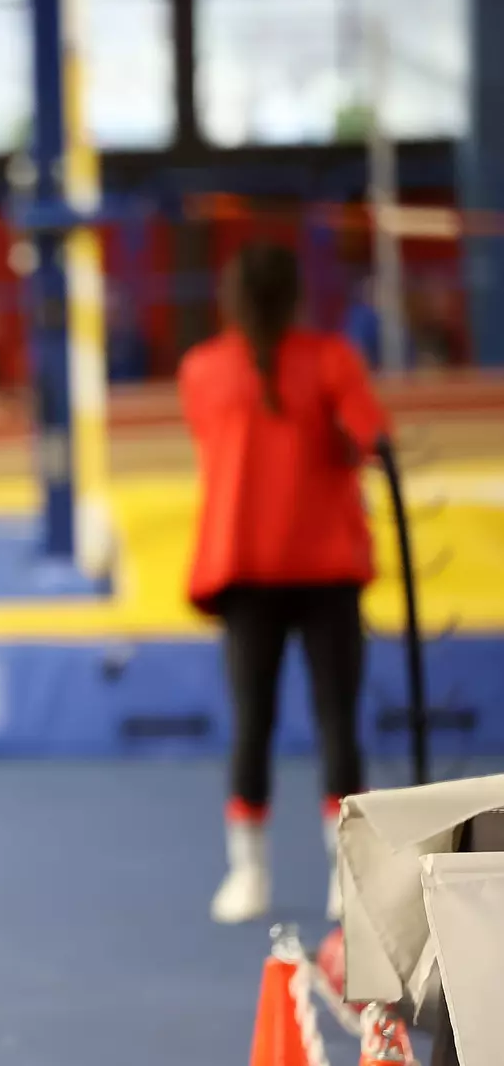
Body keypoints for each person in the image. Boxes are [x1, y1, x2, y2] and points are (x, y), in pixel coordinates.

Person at [179, 241, 391, 925]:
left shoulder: (204, 369)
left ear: (232, 298)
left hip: (256, 570)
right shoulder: (332, 361)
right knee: (337, 720)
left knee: (253, 722)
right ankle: (343, 877)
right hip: (319, 567)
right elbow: (371, 439)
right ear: (297, 294)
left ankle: (251, 875)